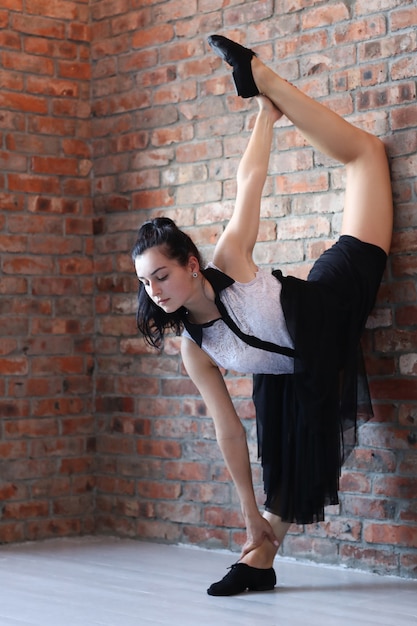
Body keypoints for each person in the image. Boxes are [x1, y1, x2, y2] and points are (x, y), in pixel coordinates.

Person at [132, 34, 393, 596]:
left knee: (366, 154)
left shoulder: (228, 262)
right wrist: (247, 514)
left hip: (333, 298)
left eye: (162, 275)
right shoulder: (193, 347)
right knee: (296, 448)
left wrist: (265, 118)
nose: (154, 290)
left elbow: (249, 184)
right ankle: (259, 552)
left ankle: (263, 81)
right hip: (299, 369)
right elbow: (229, 431)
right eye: (144, 283)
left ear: (192, 265)